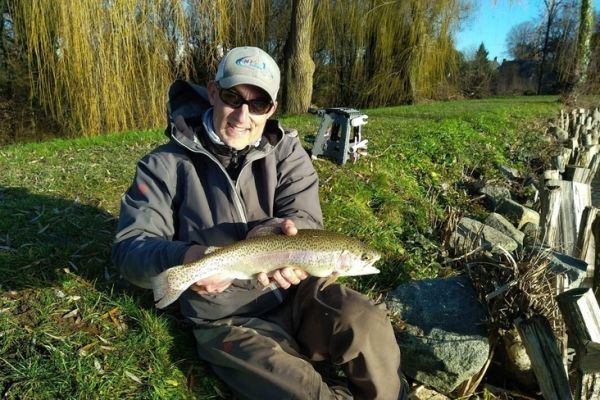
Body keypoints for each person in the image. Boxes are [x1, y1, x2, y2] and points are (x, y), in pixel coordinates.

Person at [112, 46, 407, 399]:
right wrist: (189, 258)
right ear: (211, 92)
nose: (242, 114)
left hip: (295, 294)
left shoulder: (288, 152)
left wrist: (286, 231)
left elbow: (306, 218)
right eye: (232, 97)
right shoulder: (163, 166)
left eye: (258, 105)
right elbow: (131, 250)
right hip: (224, 319)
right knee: (299, 392)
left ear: (272, 109)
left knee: (369, 324)